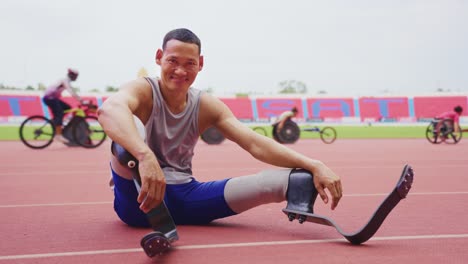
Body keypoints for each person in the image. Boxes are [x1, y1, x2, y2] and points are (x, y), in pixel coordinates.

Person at [97, 28, 342, 228]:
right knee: (128, 124)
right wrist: (144, 155)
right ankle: (148, 188)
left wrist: (314, 164)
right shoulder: (143, 90)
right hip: (136, 200)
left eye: (189, 63)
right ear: (159, 57)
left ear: (200, 63)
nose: (180, 71)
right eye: (172, 60)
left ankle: (296, 185)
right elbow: (109, 110)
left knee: (290, 180)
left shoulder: (205, 105)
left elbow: (254, 143)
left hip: (184, 196)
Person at [42, 68, 82, 143]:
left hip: (52, 98)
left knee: (68, 107)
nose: (76, 78)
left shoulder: (66, 81)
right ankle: (58, 134)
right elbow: (70, 91)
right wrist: (80, 100)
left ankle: (56, 121)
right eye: (76, 76)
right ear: (72, 75)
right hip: (50, 98)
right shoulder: (65, 80)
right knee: (59, 114)